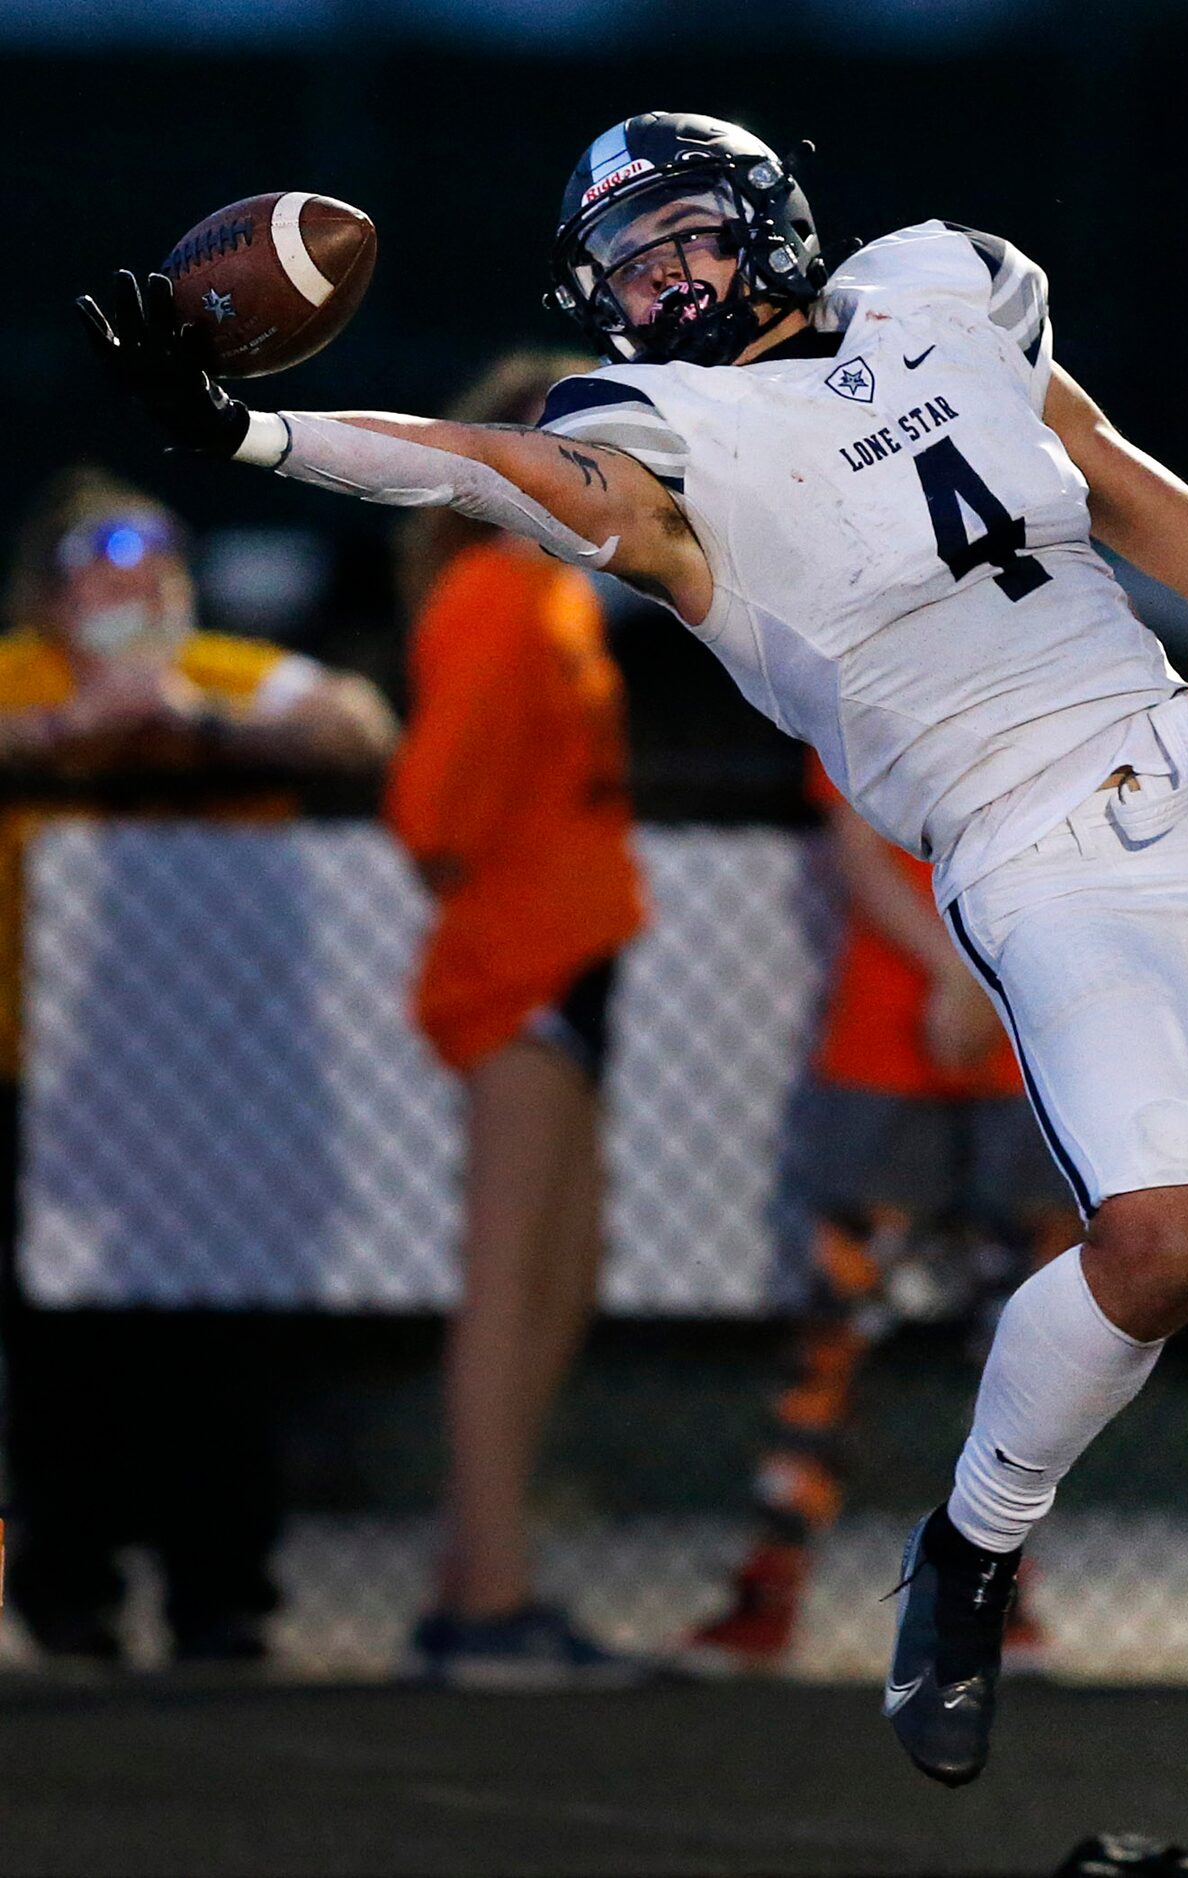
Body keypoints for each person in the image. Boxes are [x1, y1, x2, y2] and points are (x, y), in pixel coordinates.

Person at [81, 112, 1188, 1819]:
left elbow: (1174, 529)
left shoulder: (944, 291)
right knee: (1164, 1237)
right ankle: (971, 1543)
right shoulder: (663, 430)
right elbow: (487, 467)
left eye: (685, 238)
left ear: (766, 222)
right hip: (1032, 856)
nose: (664, 282)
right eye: (629, 265)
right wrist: (258, 432)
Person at [0, 467, 394, 1667]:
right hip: (47, 1078)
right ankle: (69, 1595)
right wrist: (66, 737)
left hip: (214, 1086)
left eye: (155, 578)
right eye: (105, 581)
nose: (136, 601)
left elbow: (361, 725)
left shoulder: (226, 673)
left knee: (220, 1351)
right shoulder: (24, 675)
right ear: (56, 598)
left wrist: (199, 728)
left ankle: (223, 1596)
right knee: (67, 1356)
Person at [679, 750, 1077, 1673]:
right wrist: (960, 972)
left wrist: (977, 977)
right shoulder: (863, 668)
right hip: (890, 1040)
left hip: (1028, 1044)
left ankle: (1000, 1595)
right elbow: (856, 843)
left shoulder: (1060, 660)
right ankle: (772, 1583)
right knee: (833, 1331)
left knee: (1023, 1348)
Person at [382, 351, 649, 1686]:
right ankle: (488, 1596)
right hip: (524, 967)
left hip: (562, 957)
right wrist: (507, 922)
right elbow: (433, 808)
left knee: (559, 1274)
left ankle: (469, 1582)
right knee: (510, 1283)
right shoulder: (496, 590)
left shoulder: (551, 589)